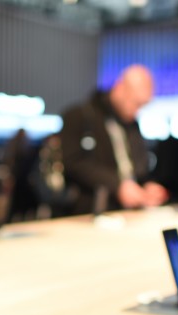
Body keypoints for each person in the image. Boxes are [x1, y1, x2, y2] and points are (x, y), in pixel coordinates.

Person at [60, 64, 168, 215]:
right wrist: (117, 185)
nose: (137, 111)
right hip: (88, 212)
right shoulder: (80, 116)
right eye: (136, 103)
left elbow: (137, 166)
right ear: (120, 88)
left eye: (142, 106)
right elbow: (73, 162)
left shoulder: (131, 123)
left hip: (128, 214)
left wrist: (146, 185)